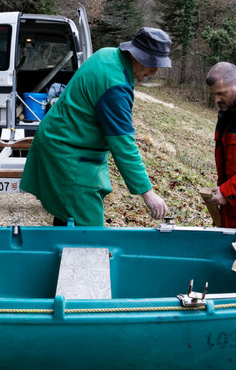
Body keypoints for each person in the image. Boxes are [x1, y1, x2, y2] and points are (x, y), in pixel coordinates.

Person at [20, 27, 172, 227]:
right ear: (137, 56)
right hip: (67, 150)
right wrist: (148, 193)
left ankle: (63, 252)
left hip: (67, 140)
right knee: (88, 226)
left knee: (70, 215)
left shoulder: (108, 55)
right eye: (152, 64)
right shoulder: (114, 85)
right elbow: (123, 144)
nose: (154, 71)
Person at [206, 61, 236, 227]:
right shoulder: (226, 116)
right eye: (213, 94)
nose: (216, 99)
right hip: (230, 212)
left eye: (221, 93)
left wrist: (226, 191)